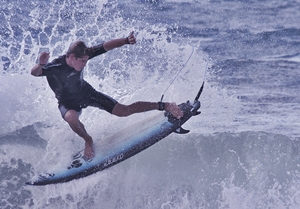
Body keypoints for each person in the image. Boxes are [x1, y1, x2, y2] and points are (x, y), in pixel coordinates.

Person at [31, 31, 183, 159]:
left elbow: (105, 46)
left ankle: (165, 105)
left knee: (123, 111)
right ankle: (88, 140)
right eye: (82, 61)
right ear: (71, 57)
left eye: (86, 60)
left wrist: (125, 41)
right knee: (71, 118)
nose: (85, 64)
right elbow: (35, 73)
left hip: (87, 93)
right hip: (67, 103)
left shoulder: (83, 54)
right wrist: (41, 64)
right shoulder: (55, 66)